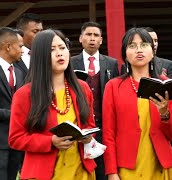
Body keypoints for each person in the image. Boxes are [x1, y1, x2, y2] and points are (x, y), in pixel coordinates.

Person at [8, 29, 97, 180]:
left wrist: (87, 136)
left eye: (62, 48)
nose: (60, 53)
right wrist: (50, 141)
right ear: (40, 57)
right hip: (43, 173)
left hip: (81, 170)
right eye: (52, 50)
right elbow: (15, 138)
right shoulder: (25, 94)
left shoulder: (82, 88)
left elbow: (90, 125)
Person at [102, 27, 172, 180]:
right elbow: (108, 134)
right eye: (132, 45)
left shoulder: (166, 85)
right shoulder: (113, 86)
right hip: (128, 167)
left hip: (162, 166)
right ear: (125, 54)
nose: (139, 50)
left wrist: (164, 113)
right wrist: (112, 172)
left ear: (153, 52)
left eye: (144, 44)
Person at [71, 21, 119, 180]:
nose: (92, 39)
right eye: (88, 35)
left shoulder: (111, 63)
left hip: (105, 124)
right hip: (81, 126)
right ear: (80, 38)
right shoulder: (70, 63)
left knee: (104, 167)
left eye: (96, 35)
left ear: (101, 40)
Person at [0, 27, 24, 180]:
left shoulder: (19, 72)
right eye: (20, 46)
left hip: (16, 141)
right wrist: (13, 114)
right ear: (8, 46)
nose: (23, 50)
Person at [15, 13, 43, 77]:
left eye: (41, 31)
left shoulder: (47, 53)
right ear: (21, 32)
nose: (40, 35)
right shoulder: (11, 55)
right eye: (35, 31)